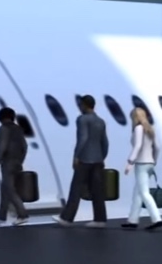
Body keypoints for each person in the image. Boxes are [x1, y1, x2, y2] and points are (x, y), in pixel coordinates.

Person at [55, 95, 109, 227]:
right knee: (97, 190)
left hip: (85, 159)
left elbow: (83, 138)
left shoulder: (82, 119)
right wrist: (102, 157)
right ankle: (100, 219)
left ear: (84, 105)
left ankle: (67, 218)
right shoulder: (101, 121)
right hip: (98, 160)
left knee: (76, 188)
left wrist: (76, 156)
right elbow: (105, 142)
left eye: (80, 105)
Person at [121, 106, 162, 230]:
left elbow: (137, 146)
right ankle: (132, 220)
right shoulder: (150, 128)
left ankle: (156, 218)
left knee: (144, 193)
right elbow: (158, 147)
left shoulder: (138, 128)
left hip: (141, 163)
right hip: (150, 163)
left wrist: (130, 162)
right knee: (138, 193)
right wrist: (154, 160)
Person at [0, 108, 30, 225]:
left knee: (9, 189)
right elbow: (24, 146)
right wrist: (20, 160)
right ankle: (1, 215)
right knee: (5, 188)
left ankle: (22, 214)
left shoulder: (3, 129)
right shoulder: (18, 129)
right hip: (17, 162)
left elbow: (2, 146)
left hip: (7, 162)